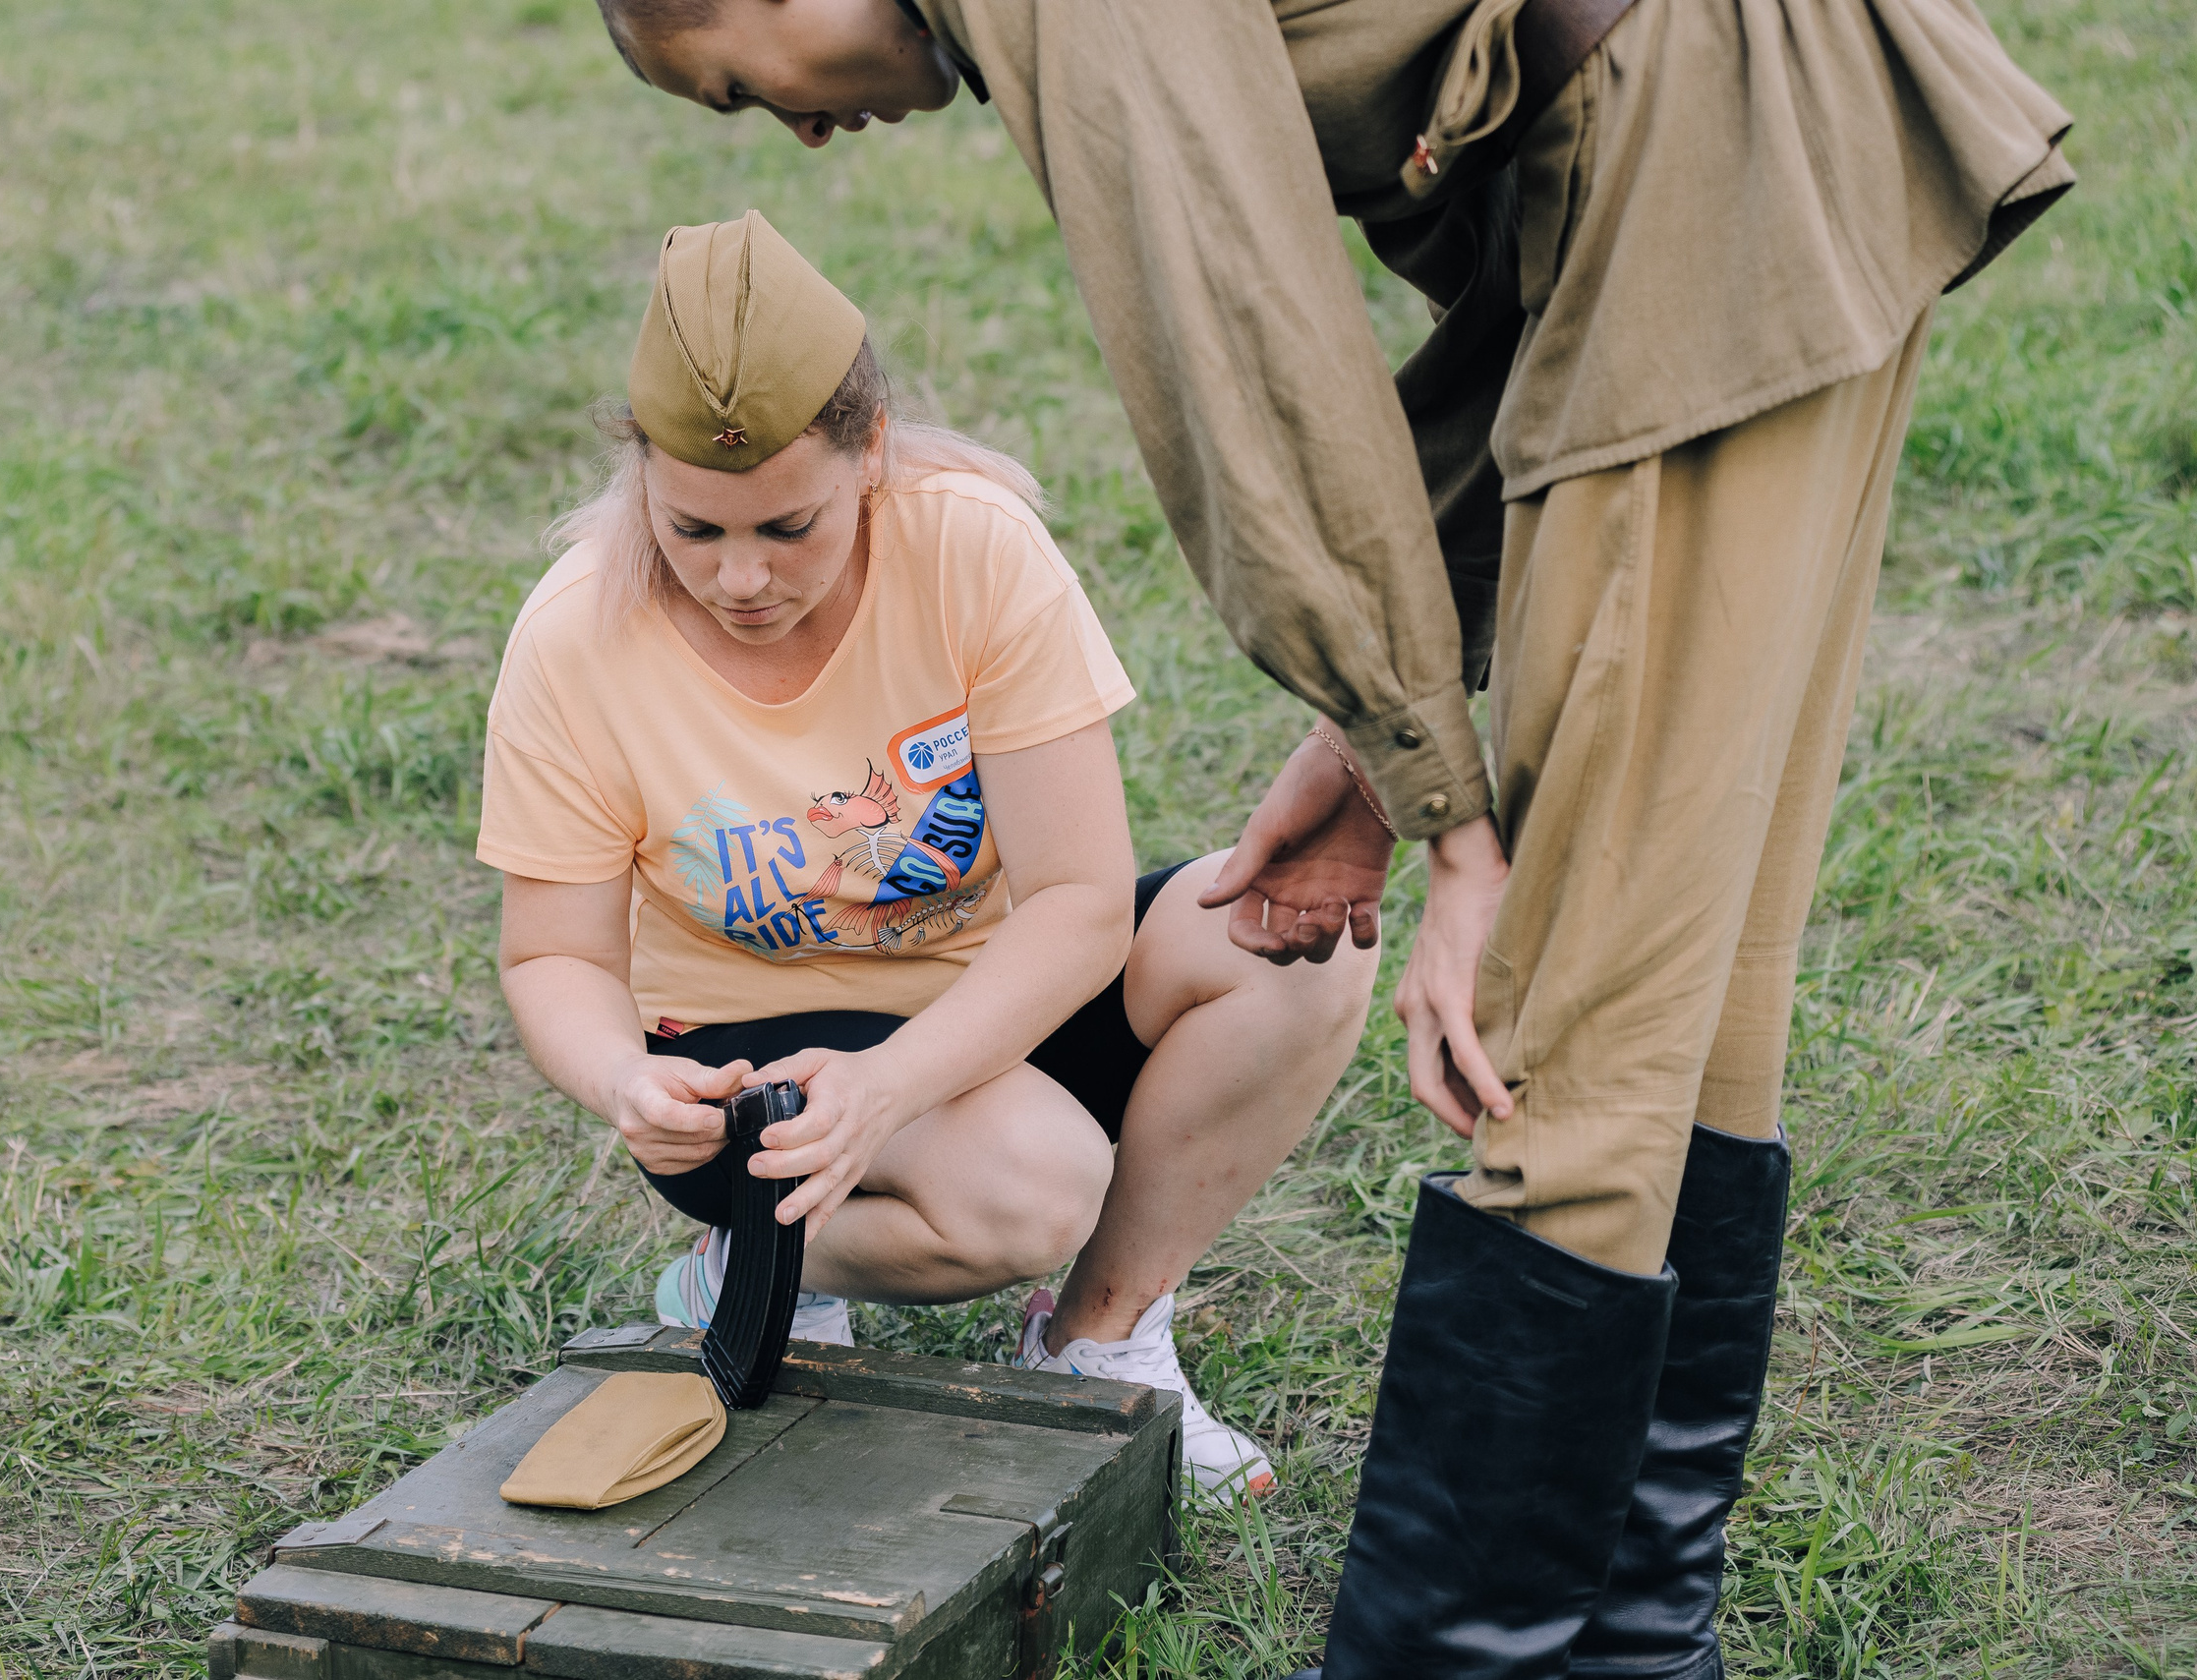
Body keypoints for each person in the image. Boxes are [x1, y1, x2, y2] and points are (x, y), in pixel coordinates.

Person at [600, 0, 2073, 1673]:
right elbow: (1513, 299)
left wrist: (1446, 808)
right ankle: (1628, 1645)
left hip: (1702, 176)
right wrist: (1374, 751)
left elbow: (1250, 346)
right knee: (1695, 1012)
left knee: (1574, 1046)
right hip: (1742, 165)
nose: (789, 132)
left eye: (731, 84)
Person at [483, 209, 1375, 1500]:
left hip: (984, 996)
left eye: (788, 528)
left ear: (872, 455)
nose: (740, 578)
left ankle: (1101, 1344)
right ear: (641, 481)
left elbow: (1075, 901)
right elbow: (555, 949)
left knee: (1298, 942)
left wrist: (896, 1082)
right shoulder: (573, 630)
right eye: (693, 531)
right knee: (1034, 1188)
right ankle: (751, 1259)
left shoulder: (973, 545)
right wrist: (624, 1078)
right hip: (745, 1052)